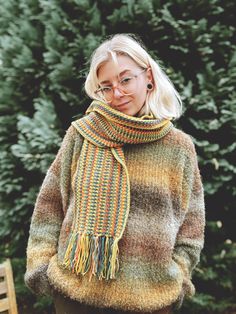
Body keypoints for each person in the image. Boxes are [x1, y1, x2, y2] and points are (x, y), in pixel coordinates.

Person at [24, 33, 205, 314]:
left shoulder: (179, 147)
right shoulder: (81, 135)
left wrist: (178, 278)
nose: (117, 93)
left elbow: (192, 226)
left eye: (125, 80)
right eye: (106, 86)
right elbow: (49, 208)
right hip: (76, 295)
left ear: (149, 77)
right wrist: (42, 268)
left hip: (150, 300)